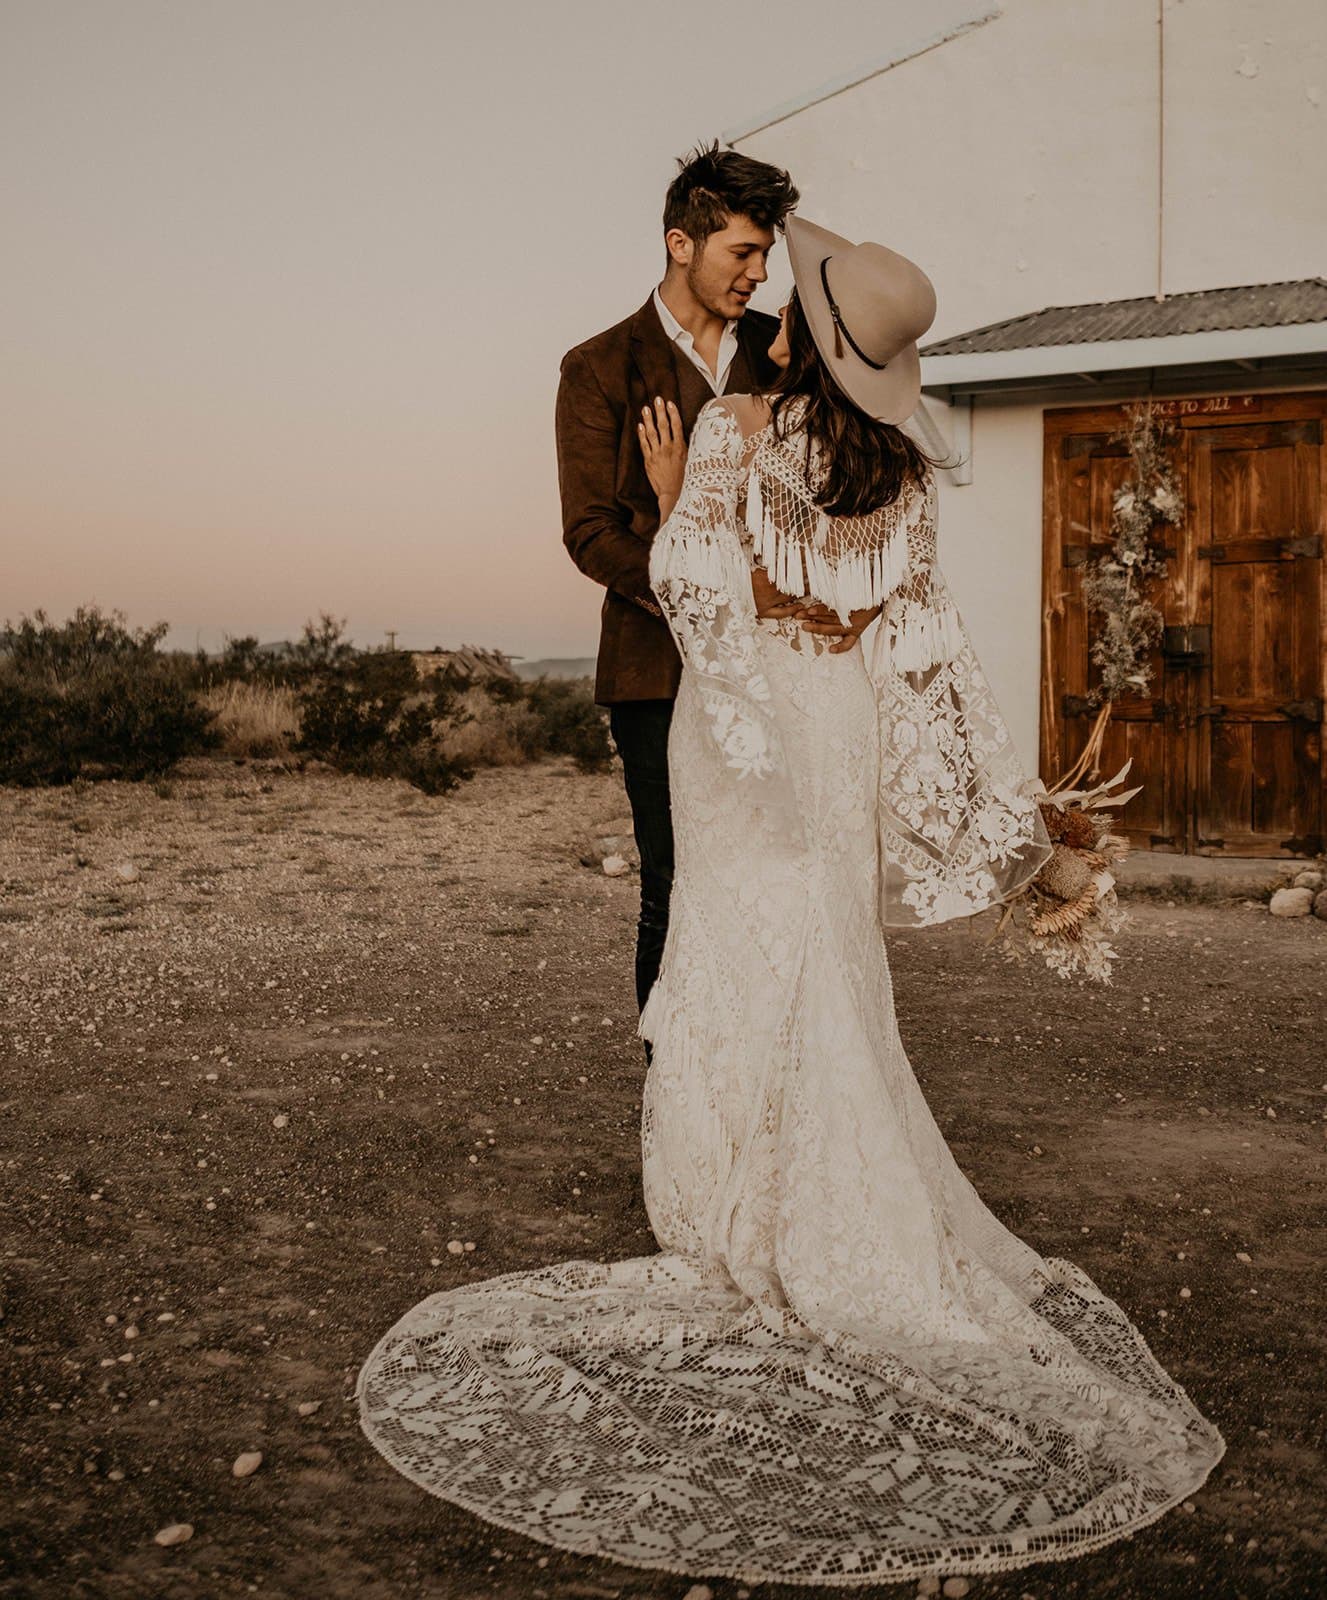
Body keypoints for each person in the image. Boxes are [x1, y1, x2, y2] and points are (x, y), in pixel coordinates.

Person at [357, 217, 1224, 1586]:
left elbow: (699, 593)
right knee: (823, 959)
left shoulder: (734, 432)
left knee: (730, 953)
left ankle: (739, 1214)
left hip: (738, 734)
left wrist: (677, 488)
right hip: (835, 739)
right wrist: (1000, 820)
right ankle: (828, 1204)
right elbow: (920, 647)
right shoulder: (900, 475)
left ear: (799, 338)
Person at [554, 141, 800, 1014]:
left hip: (784, 659)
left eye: (767, 254)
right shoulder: (595, 367)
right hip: (655, 671)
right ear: (680, 242)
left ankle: (766, 1068)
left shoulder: (785, 351)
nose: (759, 274)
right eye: (743, 252)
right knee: (675, 878)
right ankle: (675, 1093)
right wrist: (710, 593)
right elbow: (589, 535)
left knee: (777, 871)